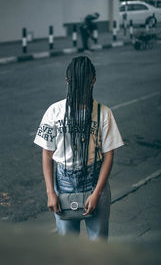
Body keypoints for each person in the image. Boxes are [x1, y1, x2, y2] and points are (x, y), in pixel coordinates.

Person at [34, 56, 124, 240]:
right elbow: (47, 153)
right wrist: (51, 192)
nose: (82, 89)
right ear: (68, 81)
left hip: (94, 182)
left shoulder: (103, 113)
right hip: (63, 185)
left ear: (93, 81)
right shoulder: (54, 112)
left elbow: (108, 155)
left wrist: (97, 193)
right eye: (77, 83)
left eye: (86, 83)